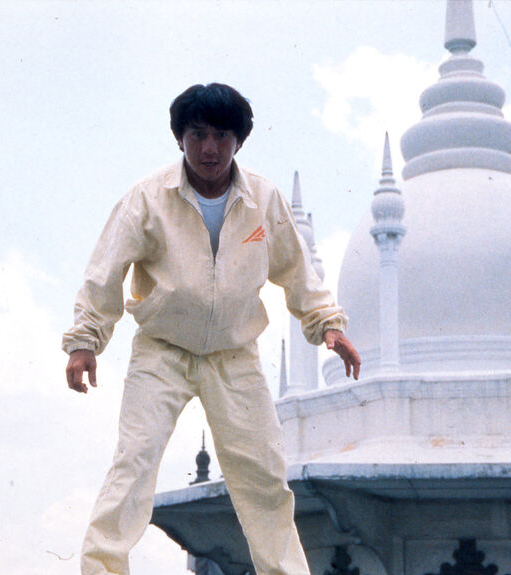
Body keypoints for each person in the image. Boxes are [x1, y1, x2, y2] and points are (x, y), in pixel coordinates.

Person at [63, 82, 361, 575]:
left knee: (263, 475)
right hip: (162, 351)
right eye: (198, 134)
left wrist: (327, 324)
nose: (209, 148)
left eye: (222, 136)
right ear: (180, 137)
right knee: (134, 461)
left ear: (238, 141)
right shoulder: (147, 198)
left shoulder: (263, 200)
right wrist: (84, 342)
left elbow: (297, 269)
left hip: (233, 353)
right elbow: (105, 271)